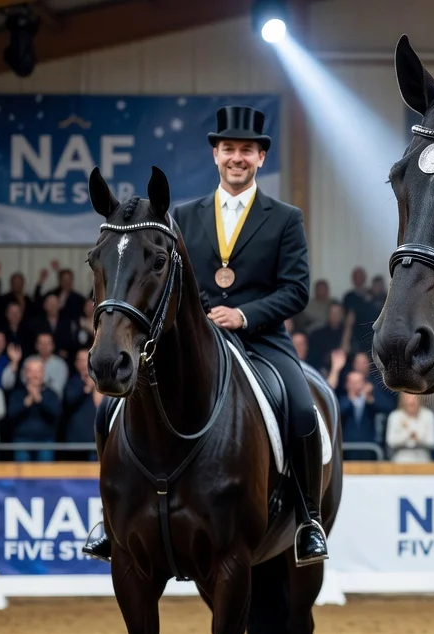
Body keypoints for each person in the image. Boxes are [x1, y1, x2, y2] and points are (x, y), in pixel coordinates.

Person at [83, 105, 326, 565]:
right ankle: (109, 517)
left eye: (247, 151)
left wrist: (244, 315)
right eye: (229, 149)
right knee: (108, 413)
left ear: (260, 157)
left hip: (261, 338)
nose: (238, 157)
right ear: (216, 154)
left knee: (301, 408)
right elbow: (165, 279)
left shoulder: (284, 218)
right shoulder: (182, 216)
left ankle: (308, 519)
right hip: (195, 339)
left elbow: (295, 290)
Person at [386, 393, 434, 463]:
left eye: (415, 398)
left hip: (423, 462)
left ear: (420, 399)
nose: (411, 401)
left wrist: (418, 438)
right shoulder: (395, 416)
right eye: (408, 398)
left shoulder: (428, 415)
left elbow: (432, 442)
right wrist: (407, 435)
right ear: (402, 400)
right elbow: (391, 441)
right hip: (400, 462)